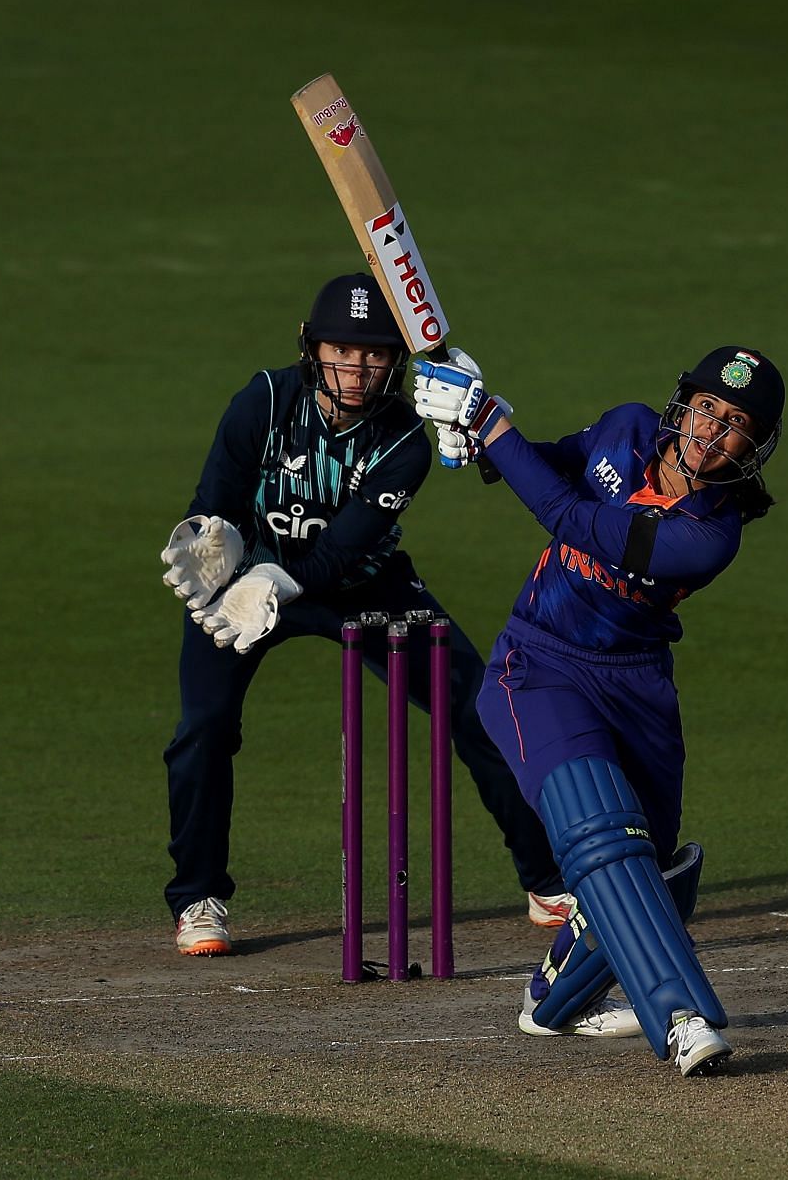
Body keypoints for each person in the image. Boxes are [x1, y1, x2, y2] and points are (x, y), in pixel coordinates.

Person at [157, 273, 570, 957]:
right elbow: (216, 498)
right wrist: (219, 536)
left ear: (395, 362)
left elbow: (340, 553)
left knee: (477, 707)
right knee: (202, 727)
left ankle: (548, 880)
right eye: (341, 351)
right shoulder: (261, 401)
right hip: (240, 592)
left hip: (365, 583)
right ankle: (199, 897)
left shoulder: (405, 441)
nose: (356, 368)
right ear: (311, 348)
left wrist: (280, 577)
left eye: (374, 354)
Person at [412, 343, 783, 1076]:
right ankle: (680, 1017)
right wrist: (480, 443)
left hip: (635, 683)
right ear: (683, 404)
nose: (712, 428)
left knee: (658, 871)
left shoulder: (711, 535)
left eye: (734, 421)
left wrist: (486, 420)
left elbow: (570, 517)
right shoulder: (627, 428)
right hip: (539, 663)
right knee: (604, 835)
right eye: (707, 406)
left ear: (754, 444)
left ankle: (553, 1003)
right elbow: (554, 465)